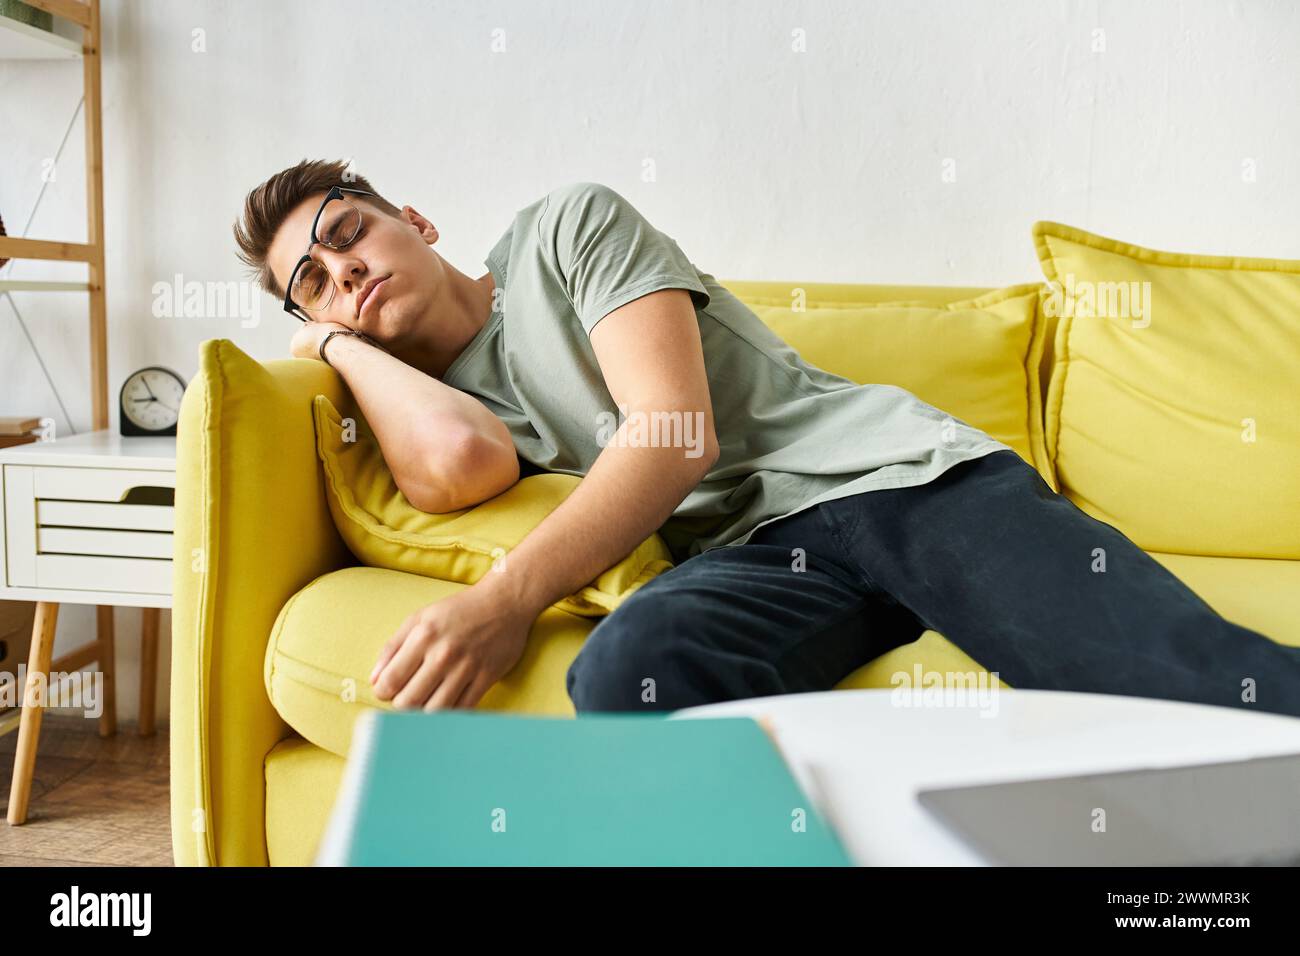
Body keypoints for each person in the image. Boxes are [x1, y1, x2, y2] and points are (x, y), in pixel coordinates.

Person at [232, 159, 1300, 718]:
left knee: (1175, 678)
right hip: (754, 560)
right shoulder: (427, 402)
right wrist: (337, 350)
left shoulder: (565, 227)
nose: (346, 271)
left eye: (347, 232)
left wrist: (503, 599)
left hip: (889, 484)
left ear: (411, 219)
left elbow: (674, 435)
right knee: (628, 673)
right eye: (314, 283)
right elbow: (460, 467)